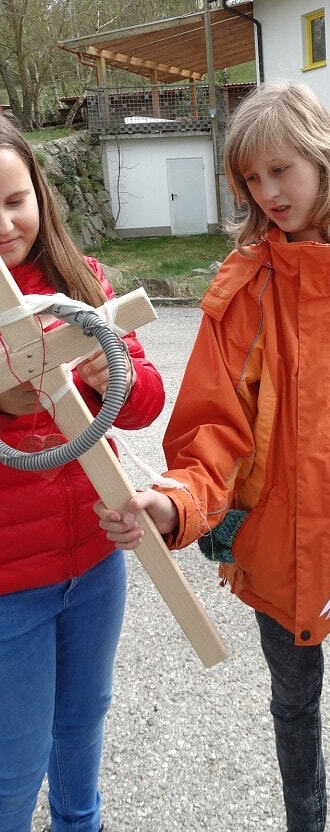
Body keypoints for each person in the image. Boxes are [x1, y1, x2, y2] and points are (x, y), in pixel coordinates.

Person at [96, 82, 330, 832]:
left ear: (325, 160)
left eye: (280, 170)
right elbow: (213, 430)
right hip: (274, 544)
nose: (267, 193)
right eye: (251, 178)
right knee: (292, 703)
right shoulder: (242, 292)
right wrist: (175, 502)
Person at [0, 117, 165, 832]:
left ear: (39, 194)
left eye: (15, 200)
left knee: (84, 718)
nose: (4, 223)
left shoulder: (81, 282)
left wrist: (112, 375)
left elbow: (146, 402)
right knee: (15, 759)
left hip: (96, 559)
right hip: (10, 581)